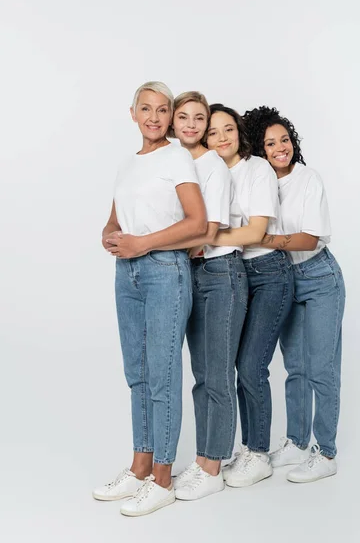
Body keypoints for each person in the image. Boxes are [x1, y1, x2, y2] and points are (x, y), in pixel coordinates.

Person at [92, 81, 207, 516]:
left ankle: (162, 477)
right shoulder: (127, 164)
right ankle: (140, 466)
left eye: (163, 110)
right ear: (133, 113)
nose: (155, 117)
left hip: (164, 272)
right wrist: (110, 235)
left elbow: (196, 223)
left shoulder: (176, 156)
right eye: (147, 109)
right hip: (128, 273)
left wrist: (144, 244)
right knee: (137, 374)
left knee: (161, 375)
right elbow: (115, 217)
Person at [243, 105, 345, 483]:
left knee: (321, 368)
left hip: (319, 276)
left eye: (284, 139)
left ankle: (327, 451)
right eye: (270, 143)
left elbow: (310, 237)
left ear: (293, 142)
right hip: (285, 278)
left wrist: (266, 238)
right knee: (296, 368)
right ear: (260, 149)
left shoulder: (308, 178)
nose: (279, 147)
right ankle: (297, 442)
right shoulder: (261, 181)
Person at [206, 104, 294, 488]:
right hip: (238, 274)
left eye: (228, 129)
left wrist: (204, 238)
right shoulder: (211, 172)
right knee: (236, 367)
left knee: (252, 366)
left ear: (240, 132)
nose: (222, 137)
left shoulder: (256, 168)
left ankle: (258, 454)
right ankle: (248, 447)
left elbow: (256, 233)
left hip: (271, 272)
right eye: (213, 132)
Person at [167, 92, 248, 501]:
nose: (193, 125)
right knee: (201, 375)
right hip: (194, 272)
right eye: (185, 117)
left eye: (200, 118)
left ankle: (214, 465)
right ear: (173, 122)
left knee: (217, 374)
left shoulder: (211, 164)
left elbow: (210, 230)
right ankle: (202, 459)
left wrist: (159, 247)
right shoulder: (174, 163)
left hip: (221, 274)